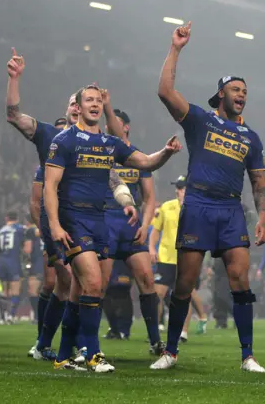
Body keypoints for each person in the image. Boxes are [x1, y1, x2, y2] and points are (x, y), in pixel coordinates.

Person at [151, 21, 265, 373]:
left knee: (240, 280)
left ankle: (247, 355)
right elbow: (164, 91)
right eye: (235, 89)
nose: (241, 94)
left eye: (245, 90)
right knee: (185, 282)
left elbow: (260, 183)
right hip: (199, 205)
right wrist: (176, 48)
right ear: (221, 95)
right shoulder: (200, 120)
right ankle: (170, 351)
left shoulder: (252, 137)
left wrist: (263, 218)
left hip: (231, 209)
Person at [44, 84, 181, 372]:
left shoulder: (109, 144)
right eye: (88, 100)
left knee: (82, 289)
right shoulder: (64, 140)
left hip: (99, 220)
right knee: (93, 283)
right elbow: (50, 186)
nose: (94, 104)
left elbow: (144, 161)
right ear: (78, 108)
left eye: (98, 100)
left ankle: (62, 357)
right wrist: (55, 225)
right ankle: (93, 354)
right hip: (73, 219)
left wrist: (166, 152)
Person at [6, 48, 79, 360]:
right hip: (55, 219)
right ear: (67, 109)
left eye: (85, 102)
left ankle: (57, 344)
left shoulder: (99, 141)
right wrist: (14, 79)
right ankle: (50, 344)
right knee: (64, 278)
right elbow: (13, 115)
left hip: (85, 218)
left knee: (78, 284)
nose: (78, 108)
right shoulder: (49, 134)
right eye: (74, 103)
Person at [100, 109, 165, 355]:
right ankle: (87, 343)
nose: (109, 126)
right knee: (100, 284)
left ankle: (154, 341)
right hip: (105, 220)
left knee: (147, 281)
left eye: (114, 122)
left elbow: (149, 199)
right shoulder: (100, 153)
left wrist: (146, 227)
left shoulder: (137, 158)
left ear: (125, 127)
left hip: (131, 224)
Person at [149, 176, 207, 343]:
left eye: (181, 188)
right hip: (166, 258)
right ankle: (156, 329)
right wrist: (152, 248)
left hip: (187, 258)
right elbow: (155, 230)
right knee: (157, 294)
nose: (178, 190)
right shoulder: (166, 207)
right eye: (177, 187)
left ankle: (183, 331)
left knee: (184, 295)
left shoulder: (197, 209)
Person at [0, 211, 25, 324]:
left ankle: (2, 317)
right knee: (15, 290)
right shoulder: (20, 228)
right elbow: (24, 244)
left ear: (6, 218)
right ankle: (10, 316)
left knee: (4, 290)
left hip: (2, 261)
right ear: (17, 218)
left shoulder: (0, 231)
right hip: (13, 261)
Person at [23, 214, 44, 325]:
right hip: (50, 262)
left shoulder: (30, 231)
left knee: (33, 291)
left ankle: (37, 316)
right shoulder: (48, 227)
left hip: (37, 263)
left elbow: (27, 250)